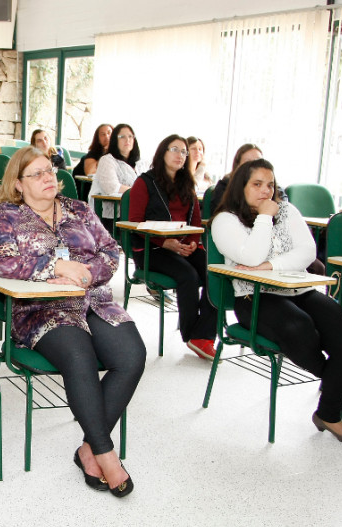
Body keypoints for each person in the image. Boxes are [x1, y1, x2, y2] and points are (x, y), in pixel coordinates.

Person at [0, 147, 145, 497]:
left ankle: (87, 447)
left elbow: (111, 251)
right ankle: (105, 455)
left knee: (131, 356)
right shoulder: (6, 216)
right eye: (38, 173)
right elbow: (4, 264)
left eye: (50, 171)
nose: (48, 178)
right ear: (18, 183)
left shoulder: (80, 210)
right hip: (42, 309)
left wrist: (87, 274)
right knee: (80, 356)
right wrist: (57, 268)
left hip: (94, 301)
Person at [211, 158, 342, 445]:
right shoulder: (225, 220)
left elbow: (308, 252)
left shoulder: (288, 210)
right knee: (298, 327)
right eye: (257, 184)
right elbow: (251, 257)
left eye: (270, 185)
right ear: (240, 187)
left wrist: (270, 265)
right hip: (253, 297)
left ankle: (328, 414)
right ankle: (336, 377)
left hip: (297, 289)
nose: (266, 191)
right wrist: (265, 217)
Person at [129, 134, 218, 360]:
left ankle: (204, 335)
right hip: (152, 249)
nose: (181, 155)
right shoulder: (144, 182)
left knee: (215, 272)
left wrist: (192, 243)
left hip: (183, 247)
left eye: (184, 152)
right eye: (175, 150)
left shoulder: (187, 184)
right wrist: (164, 242)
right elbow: (135, 223)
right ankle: (191, 335)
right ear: (162, 152)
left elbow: (196, 223)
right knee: (187, 275)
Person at [90, 123, 140, 230]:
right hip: (113, 218)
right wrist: (139, 191)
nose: (127, 140)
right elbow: (111, 187)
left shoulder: (140, 164)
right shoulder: (107, 160)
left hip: (136, 214)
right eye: (122, 137)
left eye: (130, 136)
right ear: (114, 140)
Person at [210, 143, 263, 215]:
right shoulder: (224, 186)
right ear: (238, 166)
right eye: (248, 162)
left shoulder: (269, 187)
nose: (254, 166)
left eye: (258, 162)